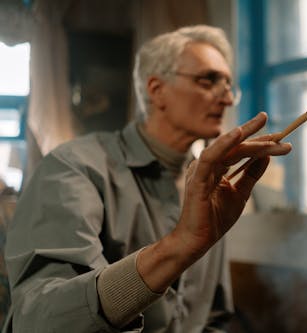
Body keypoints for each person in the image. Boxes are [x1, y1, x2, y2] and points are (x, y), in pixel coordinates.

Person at [2, 25, 291, 333]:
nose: (227, 98)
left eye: (229, 85)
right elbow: (40, 320)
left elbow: (212, 316)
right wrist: (177, 248)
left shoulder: (210, 185)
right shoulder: (74, 168)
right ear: (156, 90)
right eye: (208, 80)